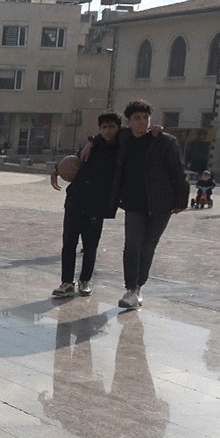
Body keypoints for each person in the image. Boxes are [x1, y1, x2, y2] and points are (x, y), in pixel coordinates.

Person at [111, 99, 188, 309]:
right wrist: (91, 142)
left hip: (161, 203)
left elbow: (178, 171)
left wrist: (181, 200)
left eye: (146, 118)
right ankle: (130, 289)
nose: (142, 122)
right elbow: (103, 138)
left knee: (148, 247)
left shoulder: (164, 141)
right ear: (129, 121)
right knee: (132, 245)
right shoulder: (124, 139)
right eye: (137, 118)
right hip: (134, 203)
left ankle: (139, 287)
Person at [51, 112, 122, 298]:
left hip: (97, 203)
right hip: (75, 199)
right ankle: (67, 282)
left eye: (112, 127)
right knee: (69, 243)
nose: (107, 131)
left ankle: (85, 280)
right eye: (104, 127)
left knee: (90, 245)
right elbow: (73, 161)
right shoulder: (92, 145)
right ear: (100, 129)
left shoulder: (122, 148)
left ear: (118, 128)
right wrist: (57, 170)